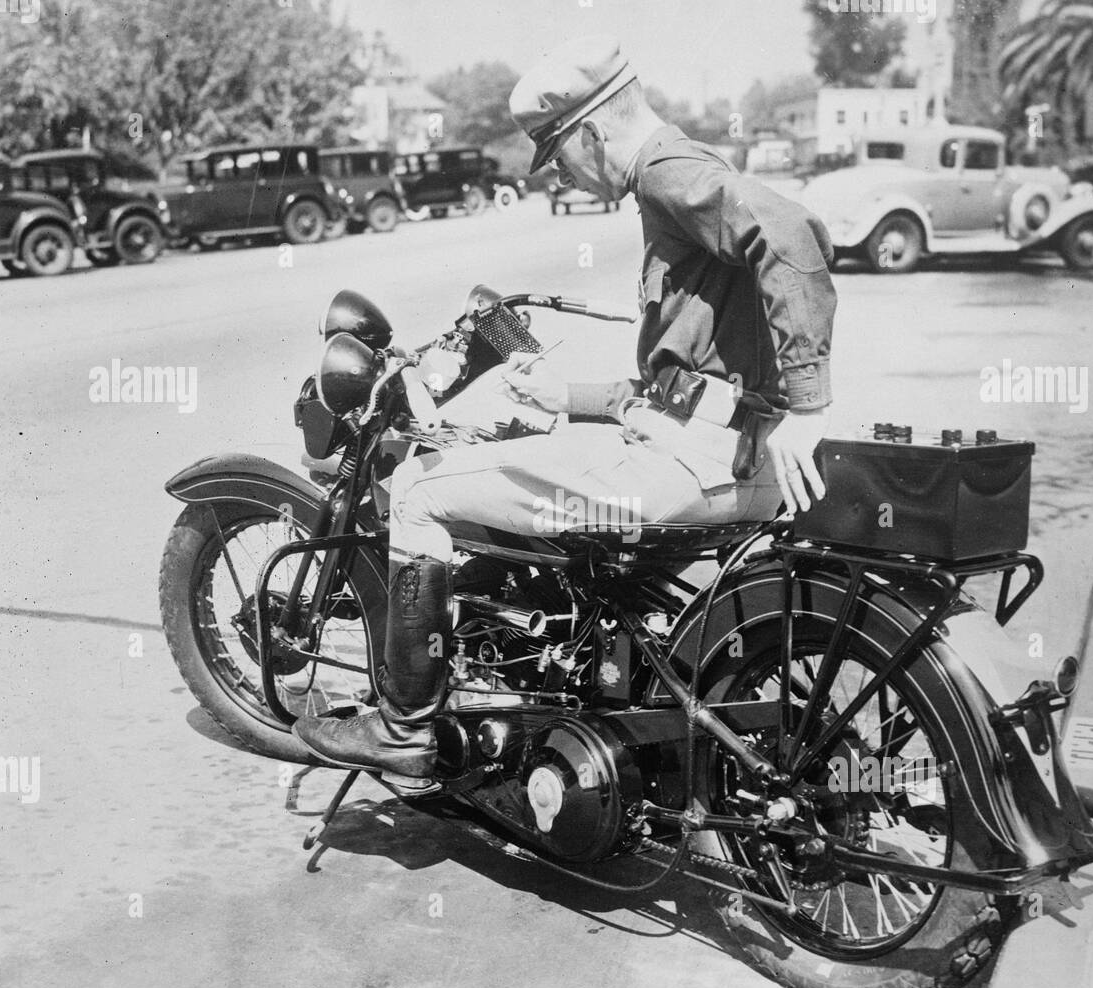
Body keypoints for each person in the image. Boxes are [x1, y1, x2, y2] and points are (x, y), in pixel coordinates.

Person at [294, 34, 837, 789]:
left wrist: (810, 402)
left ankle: (404, 730)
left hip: (684, 467)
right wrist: (568, 400)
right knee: (549, 472)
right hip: (737, 463)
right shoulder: (683, 172)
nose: (567, 174)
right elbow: (689, 380)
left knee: (420, 488)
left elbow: (791, 233)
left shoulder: (662, 171)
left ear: (589, 130)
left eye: (558, 154)